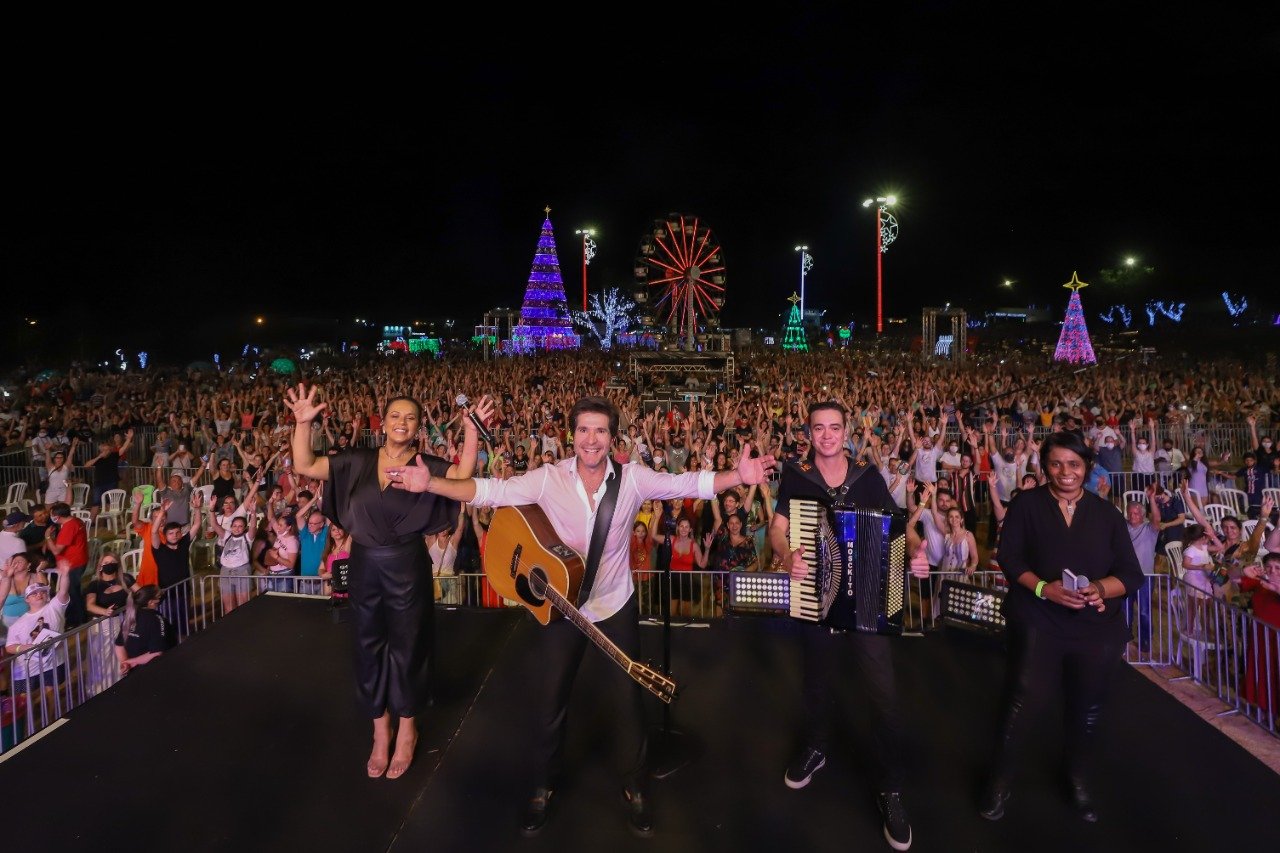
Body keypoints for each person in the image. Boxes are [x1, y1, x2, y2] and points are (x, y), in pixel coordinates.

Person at [389, 395, 774, 838]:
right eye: (584, 430)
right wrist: (431, 484)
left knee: (629, 702)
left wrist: (736, 477)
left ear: (613, 437)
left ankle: (635, 784)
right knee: (551, 698)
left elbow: (688, 484)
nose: (592, 440)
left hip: (613, 605)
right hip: (562, 609)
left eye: (601, 431)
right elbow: (489, 492)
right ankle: (543, 783)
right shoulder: (547, 478)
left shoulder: (633, 480)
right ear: (573, 435)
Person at [285, 382, 487, 781]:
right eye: (395, 414)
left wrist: (471, 430)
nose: (402, 422)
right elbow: (306, 465)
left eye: (410, 417)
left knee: (408, 645)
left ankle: (408, 727)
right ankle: (381, 728)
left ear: (417, 428)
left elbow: (463, 475)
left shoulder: (425, 465)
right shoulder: (356, 460)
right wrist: (303, 424)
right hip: (364, 563)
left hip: (407, 563)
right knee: (367, 643)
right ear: (384, 421)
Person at [767, 401, 914, 851]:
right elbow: (777, 527)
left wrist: (918, 551)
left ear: (846, 431)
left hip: (866, 600)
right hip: (816, 595)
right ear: (808, 433)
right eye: (819, 429)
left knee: (882, 695)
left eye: (835, 428)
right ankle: (816, 747)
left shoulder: (866, 477)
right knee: (816, 683)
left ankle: (890, 787)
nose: (827, 435)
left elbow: (896, 527)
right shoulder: (797, 476)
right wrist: (786, 553)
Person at [979, 431, 1143, 824]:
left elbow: (1130, 574)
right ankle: (998, 781)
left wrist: (1100, 588)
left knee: (1085, 710)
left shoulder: (1107, 515)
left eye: (1073, 463)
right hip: (1039, 622)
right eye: (1056, 463)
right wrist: (1043, 589)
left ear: (1086, 465)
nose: (1065, 472)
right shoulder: (1027, 505)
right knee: (1021, 704)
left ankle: (1076, 780)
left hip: (1095, 629)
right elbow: (1009, 557)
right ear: (1044, 465)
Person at [114, 584, 176, 674]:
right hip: (152, 671)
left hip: (132, 671)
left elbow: (119, 645)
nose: (160, 599)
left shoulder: (129, 617)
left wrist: (125, 663)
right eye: (159, 597)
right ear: (150, 602)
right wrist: (131, 662)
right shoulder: (156, 619)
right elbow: (157, 652)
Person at [45, 502, 89, 628]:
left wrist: (48, 537)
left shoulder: (69, 527)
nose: (51, 516)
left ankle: (79, 620)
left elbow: (56, 550)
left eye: (52, 514)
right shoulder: (76, 521)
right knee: (73, 590)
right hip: (78, 560)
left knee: (73, 592)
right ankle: (78, 617)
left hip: (72, 563)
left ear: (57, 516)